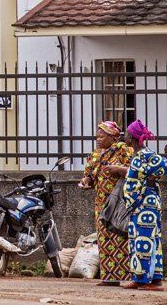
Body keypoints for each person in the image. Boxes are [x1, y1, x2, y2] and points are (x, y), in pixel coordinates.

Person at [79, 121, 133, 286]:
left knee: (120, 238)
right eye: (97, 137)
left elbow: (133, 170)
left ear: (113, 137)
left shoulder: (123, 150)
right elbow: (89, 175)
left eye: (102, 137)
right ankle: (109, 277)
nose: (98, 139)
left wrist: (118, 169)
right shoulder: (95, 154)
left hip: (118, 202)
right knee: (104, 238)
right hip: (101, 203)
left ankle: (127, 276)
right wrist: (86, 181)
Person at [121, 120, 166, 291]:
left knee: (146, 240)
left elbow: (163, 165)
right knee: (139, 241)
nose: (124, 135)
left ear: (132, 136)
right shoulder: (138, 155)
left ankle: (152, 281)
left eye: (126, 133)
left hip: (146, 204)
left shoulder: (146, 154)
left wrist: (151, 178)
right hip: (137, 206)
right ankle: (141, 278)